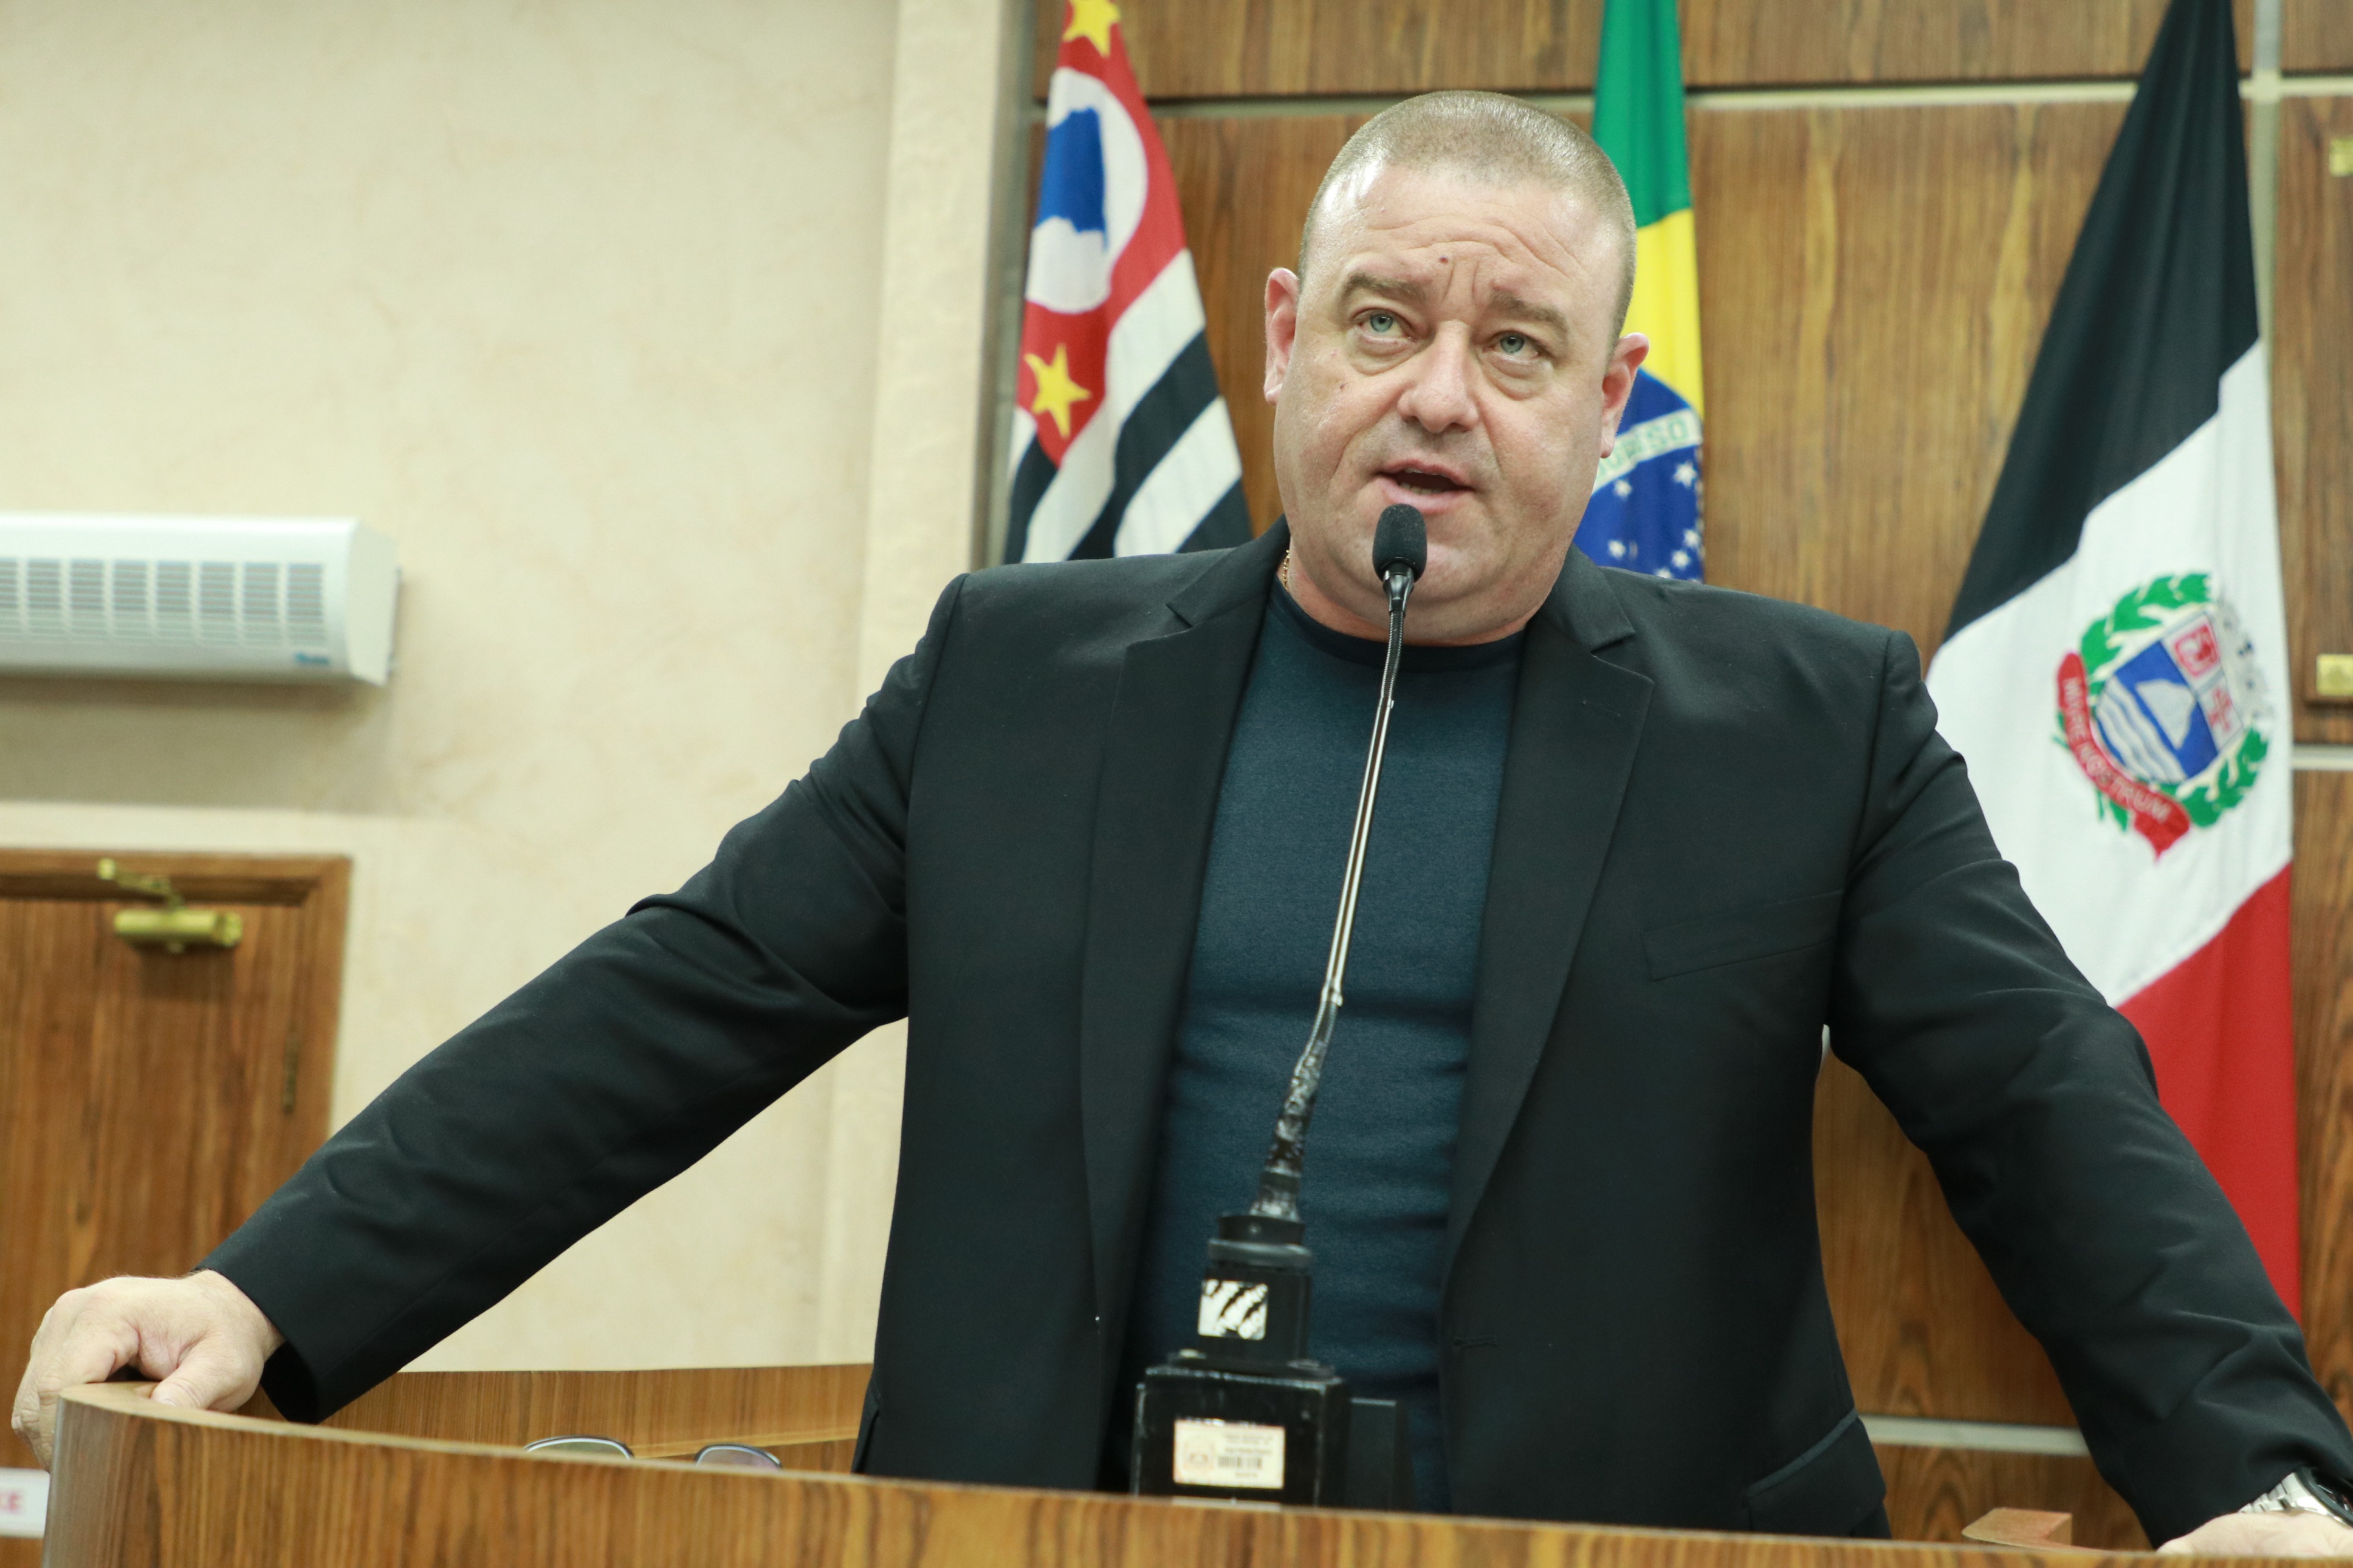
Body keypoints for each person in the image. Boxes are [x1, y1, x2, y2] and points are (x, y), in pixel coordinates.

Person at [15, 91, 2353, 1553]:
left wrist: (2264, 1479)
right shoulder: (1019, 679)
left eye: (1516, 349)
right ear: (1284, 330)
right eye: (1386, 325)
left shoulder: (1808, 727)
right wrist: (266, 1293)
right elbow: (677, 1001)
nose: (1439, 398)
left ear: (1603, 396)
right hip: (1067, 1538)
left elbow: (2048, 1106)